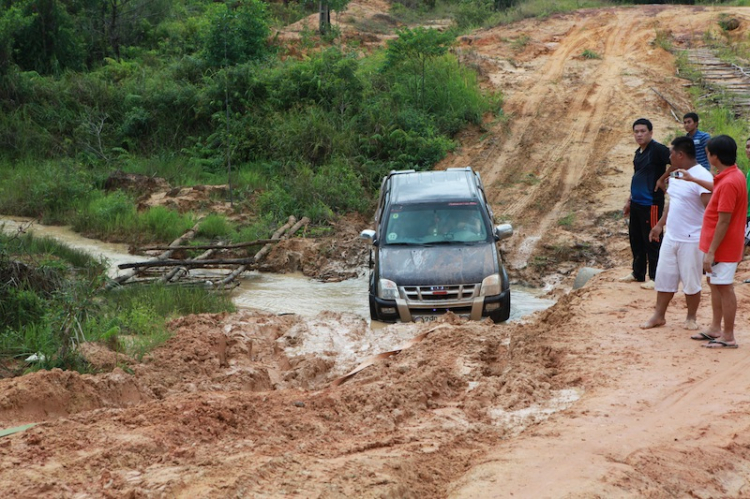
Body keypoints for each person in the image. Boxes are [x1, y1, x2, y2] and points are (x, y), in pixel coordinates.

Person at [639, 136, 713, 331]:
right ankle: (659, 315)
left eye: (671, 152)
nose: (668, 156)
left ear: (680, 155)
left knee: (691, 281)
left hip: (692, 239)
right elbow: (674, 203)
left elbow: (710, 209)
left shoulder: (702, 176)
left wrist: (709, 241)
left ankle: (691, 317)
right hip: (671, 236)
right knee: (664, 277)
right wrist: (659, 225)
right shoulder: (676, 175)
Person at [694, 135, 748, 349]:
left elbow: (724, 220)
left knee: (724, 287)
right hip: (717, 246)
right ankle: (716, 328)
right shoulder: (730, 175)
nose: (707, 156)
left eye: (708, 153)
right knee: (714, 284)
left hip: (722, 247)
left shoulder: (729, 182)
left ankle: (728, 335)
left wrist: (711, 252)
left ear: (715, 156)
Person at [621, 118, 671, 287]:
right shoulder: (638, 153)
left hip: (651, 203)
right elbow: (637, 177)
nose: (639, 134)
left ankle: (656, 277)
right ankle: (638, 273)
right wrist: (629, 200)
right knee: (636, 239)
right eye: (636, 131)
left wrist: (663, 179)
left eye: (643, 131)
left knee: (653, 239)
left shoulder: (658, 149)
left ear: (651, 132)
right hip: (637, 202)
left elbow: (678, 161)